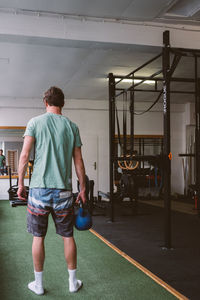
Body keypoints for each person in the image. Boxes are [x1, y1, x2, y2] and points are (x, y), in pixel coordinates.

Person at [17, 86, 86, 295]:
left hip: (38, 190)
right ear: (62, 103)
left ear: (45, 102)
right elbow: (79, 162)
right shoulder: (72, 127)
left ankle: (38, 285)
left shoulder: (35, 122)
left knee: (38, 237)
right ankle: (72, 283)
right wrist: (82, 188)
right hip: (63, 191)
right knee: (67, 236)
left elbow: (24, 155)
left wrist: (21, 183)